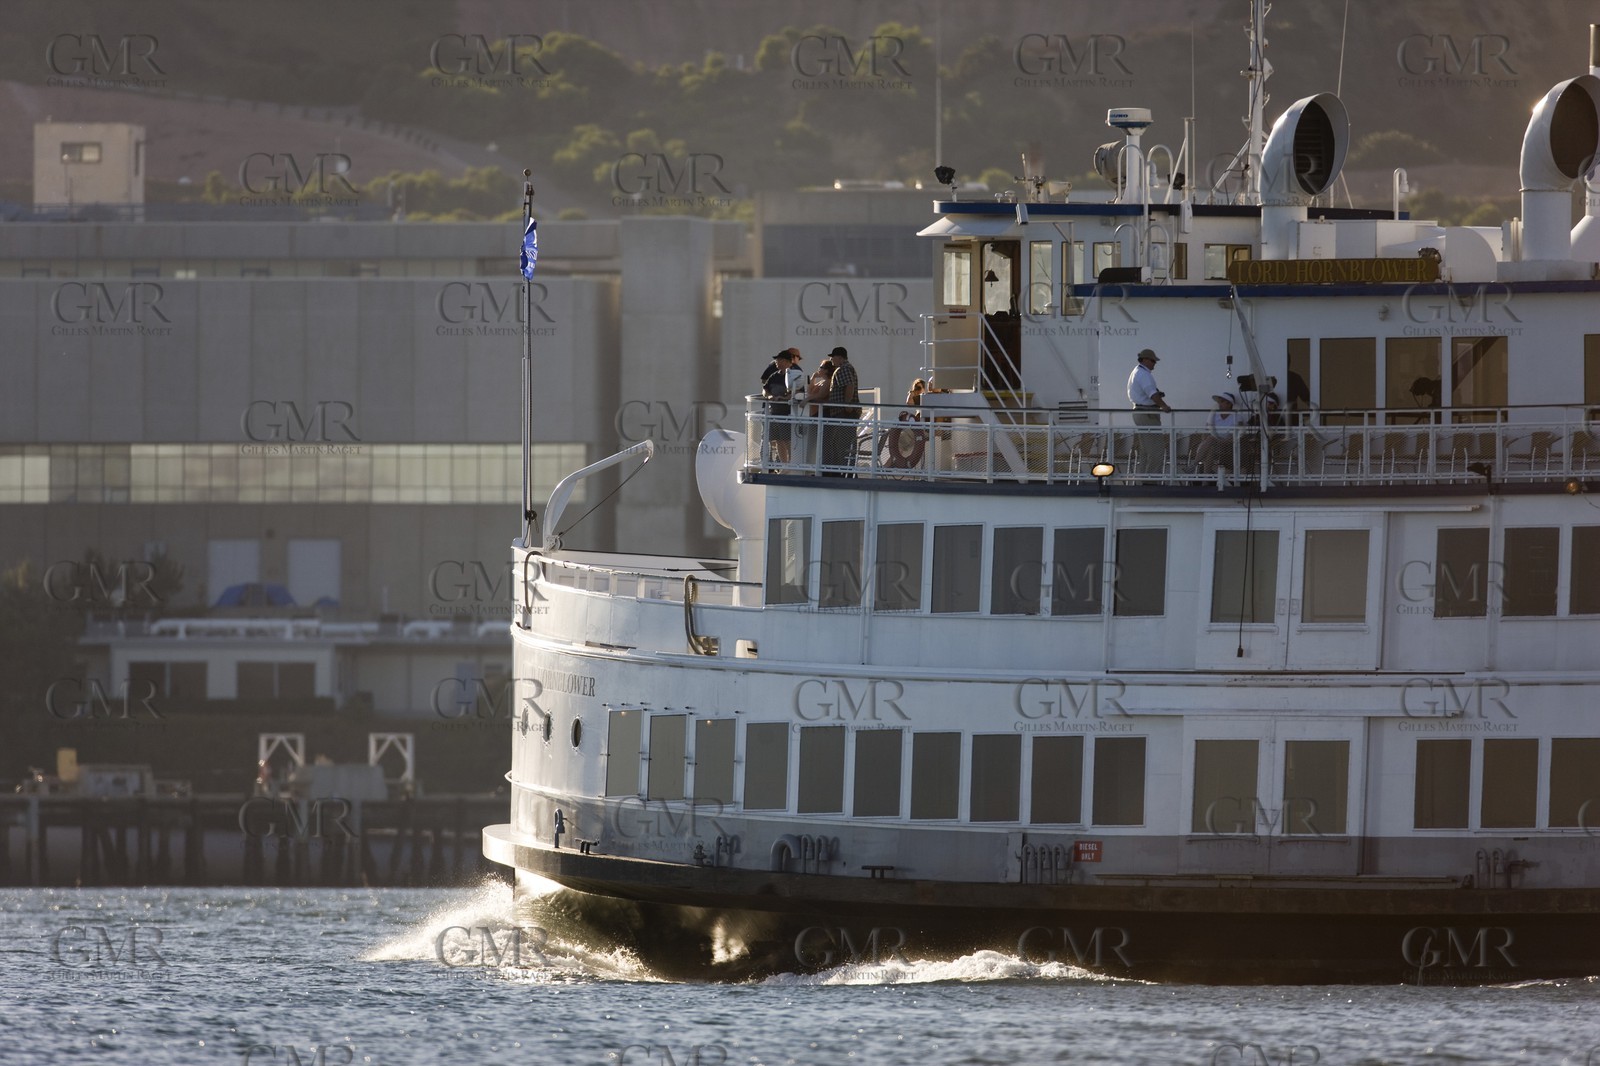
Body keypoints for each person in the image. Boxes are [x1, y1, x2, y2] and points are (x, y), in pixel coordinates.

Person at [1126, 349, 1171, 474]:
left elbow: (1147, 393)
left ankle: (1144, 479)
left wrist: (1156, 396)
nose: (1154, 364)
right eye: (1152, 361)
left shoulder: (1137, 372)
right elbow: (1152, 394)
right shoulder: (1144, 374)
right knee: (1157, 450)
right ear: (1145, 360)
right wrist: (1164, 406)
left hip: (1140, 412)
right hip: (1147, 414)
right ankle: (1151, 481)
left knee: (1146, 449)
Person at [762, 349, 803, 467]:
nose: (776, 362)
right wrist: (769, 396)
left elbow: (799, 392)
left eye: (778, 360)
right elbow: (765, 389)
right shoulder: (774, 375)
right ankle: (784, 465)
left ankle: (791, 464)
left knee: (787, 439)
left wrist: (785, 398)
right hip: (774, 412)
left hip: (787, 413)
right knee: (778, 440)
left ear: (785, 361)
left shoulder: (795, 374)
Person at [823, 345, 860, 475]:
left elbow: (849, 386)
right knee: (846, 444)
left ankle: (843, 472)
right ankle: (847, 471)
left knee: (842, 444)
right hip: (844, 412)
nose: (832, 360)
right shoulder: (846, 368)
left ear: (839, 357)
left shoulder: (842, 369)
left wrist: (847, 404)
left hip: (843, 413)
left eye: (833, 357)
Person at [1197, 392, 1240, 479]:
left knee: (1211, 440)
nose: (1219, 404)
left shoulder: (1235, 417)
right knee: (1210, 446)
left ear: (1229, 404)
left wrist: (1217, 440)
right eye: (1220, 402)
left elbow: (1235, 437)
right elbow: (1205, 431)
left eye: (1222, 402)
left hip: (1227, 445)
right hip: (1212, 445)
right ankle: (1205, 480)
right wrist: (1205, 440)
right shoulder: (1214, 415)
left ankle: (1194, 466)